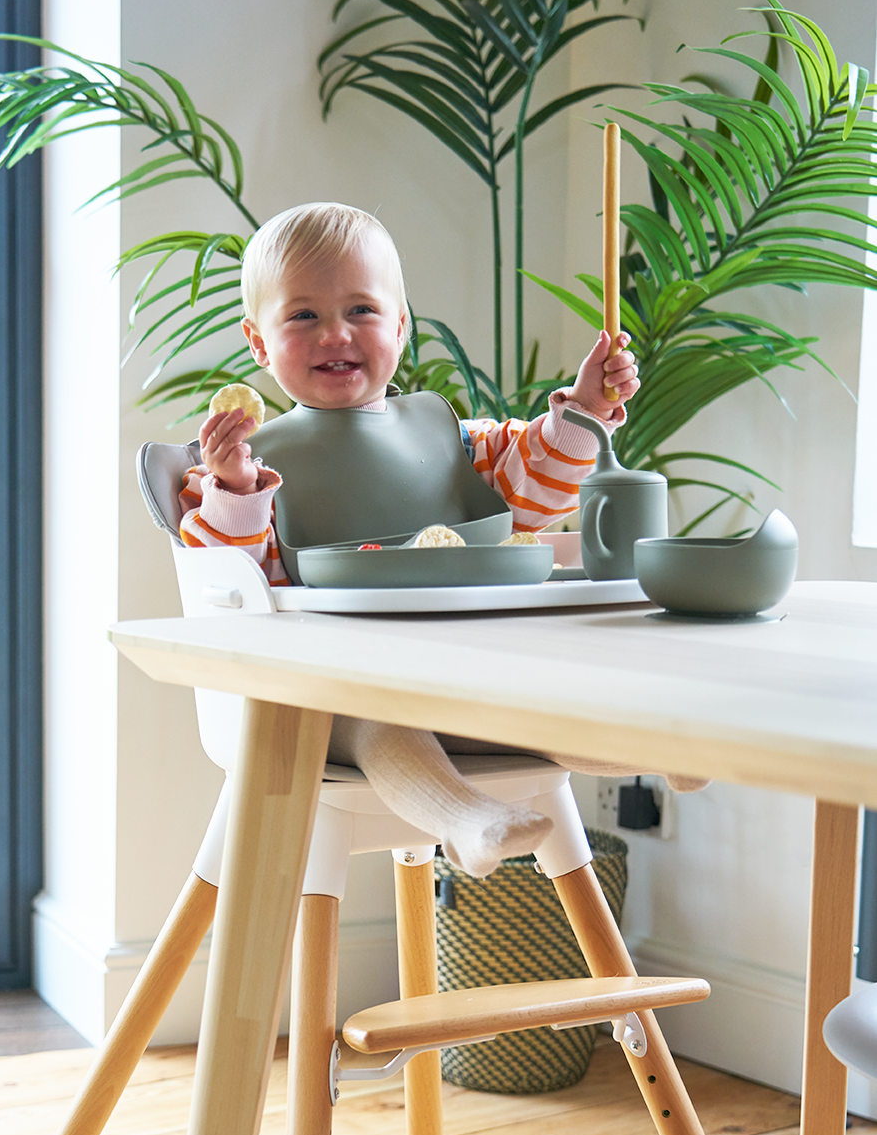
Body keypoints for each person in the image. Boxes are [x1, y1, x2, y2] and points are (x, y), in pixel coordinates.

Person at [178, 201, 645, 876]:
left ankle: (681, 753)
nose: (336, 333)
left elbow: (532, 489)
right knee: (379, 721)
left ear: (400, 326)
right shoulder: (249, 466)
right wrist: (235, 487)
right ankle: (470, 819)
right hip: (330, 700)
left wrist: (587, 410)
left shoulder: (449, 435)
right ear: (259, 343)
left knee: (553, 700)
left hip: (462, 676)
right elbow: (229, 586)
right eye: (304, 315)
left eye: (361, 311)